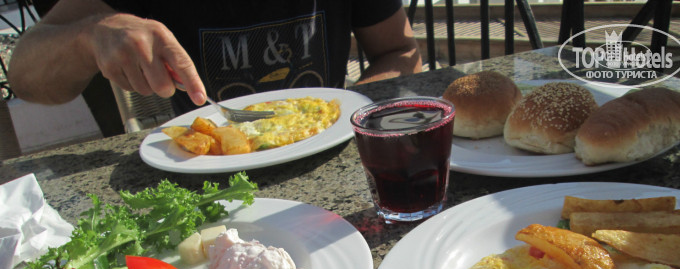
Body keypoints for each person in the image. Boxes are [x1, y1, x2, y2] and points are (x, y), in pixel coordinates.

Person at [8, 0, 422, 115]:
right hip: (203, 173)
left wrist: (347, 113)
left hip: (330, 150)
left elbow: (400, 51)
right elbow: (25, 76)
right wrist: (89, 36)